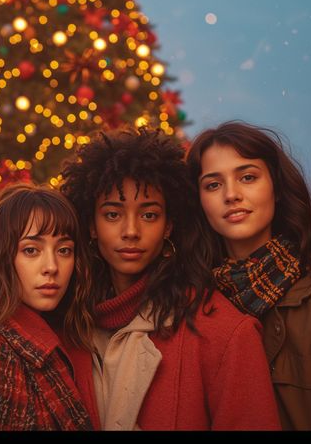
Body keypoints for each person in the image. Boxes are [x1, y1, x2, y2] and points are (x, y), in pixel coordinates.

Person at [59, 127, 280, 430]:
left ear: (168, 226)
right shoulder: (69, 327)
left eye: (149, 215)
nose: (131, 230)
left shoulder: (223, 333)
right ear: (92, 225)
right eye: (113, 214)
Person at [187, 121, 311, 430]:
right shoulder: (189, 306)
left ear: (277, 188)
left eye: (248, 177)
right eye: (213, 184)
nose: (231, 195)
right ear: (198, 202)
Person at [0, 185, 99, 430]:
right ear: (4, 258)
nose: (51, 266)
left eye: (64, 250)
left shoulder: (70, 335)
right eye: (31, 250)